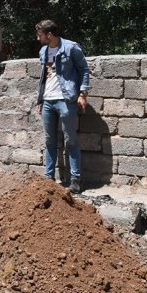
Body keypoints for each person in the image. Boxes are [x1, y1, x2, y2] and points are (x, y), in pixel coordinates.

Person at [35, 20, 90, 194]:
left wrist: (82, 94)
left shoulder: (70, 47)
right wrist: (40, 100)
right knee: (50, 141)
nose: (38, 38)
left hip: (66, 100)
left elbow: (84, 70)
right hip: (47, 101)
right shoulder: (43, 51)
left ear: (49, 35)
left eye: (40, 35)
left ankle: (75, 180)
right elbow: (43, 77)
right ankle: (48, 178)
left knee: (70, 140)